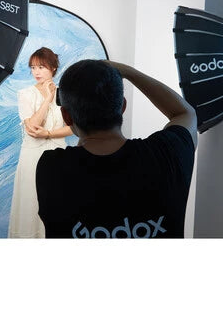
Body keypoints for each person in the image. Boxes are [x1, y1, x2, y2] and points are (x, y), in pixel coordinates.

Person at [36, 59, 198, 238]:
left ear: (66, 117)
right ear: (122, 107)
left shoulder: (51, 168)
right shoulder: (167, 154)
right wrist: (129, 72)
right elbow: (185, 113)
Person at [8, 47, 73, 238]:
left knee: (56, 202)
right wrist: (47, 99)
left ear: (53, 68)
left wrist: (49, 133)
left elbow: (74, 128)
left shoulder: (65, 94)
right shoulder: (25, 94)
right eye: (33, 67)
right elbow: (33, 127)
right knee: (31, 201)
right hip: (32, 156)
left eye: (41, 67)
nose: (36, 72)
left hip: (58, 154)